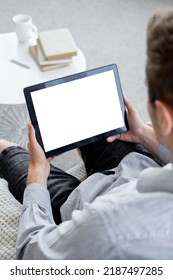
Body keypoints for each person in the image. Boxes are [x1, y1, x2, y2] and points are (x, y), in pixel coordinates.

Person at [1, 7, 173, 259]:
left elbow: (32, 255)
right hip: (134, 167)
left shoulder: (108, 227)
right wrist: (143, 134)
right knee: (93, 118)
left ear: (165, 116)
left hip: (82, 203)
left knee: (7, 150)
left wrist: (37, 175)